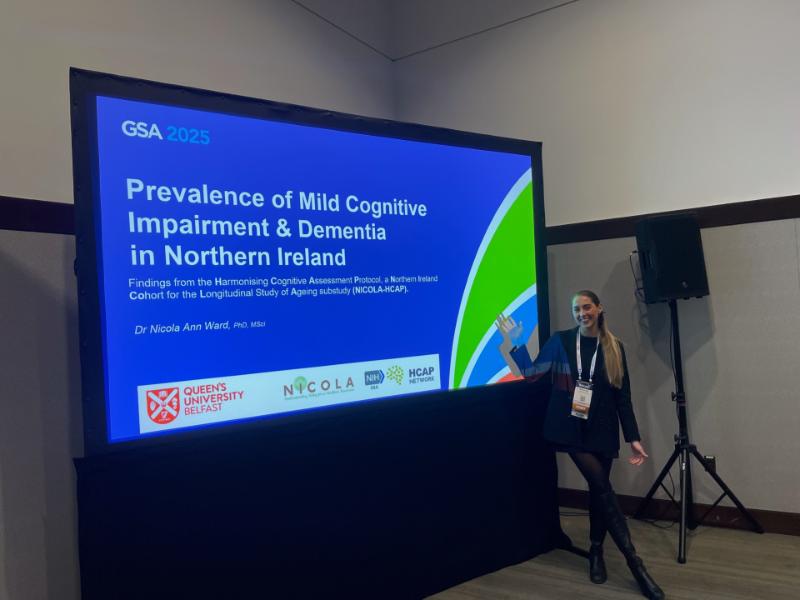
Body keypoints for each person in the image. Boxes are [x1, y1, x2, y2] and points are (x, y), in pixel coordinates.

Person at [496, 290, 664, 600]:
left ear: (599, 308)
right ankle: (636, 565)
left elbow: (623, 397)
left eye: (587, 307)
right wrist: (517, 343)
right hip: (570, 429)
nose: (582, 313)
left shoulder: (614, 347)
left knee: (599, 492)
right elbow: (532, 375)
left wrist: (633, 438)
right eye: (576, 309)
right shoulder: (561, 341)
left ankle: (596, 551)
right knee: (603, 487)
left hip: (602, 429)